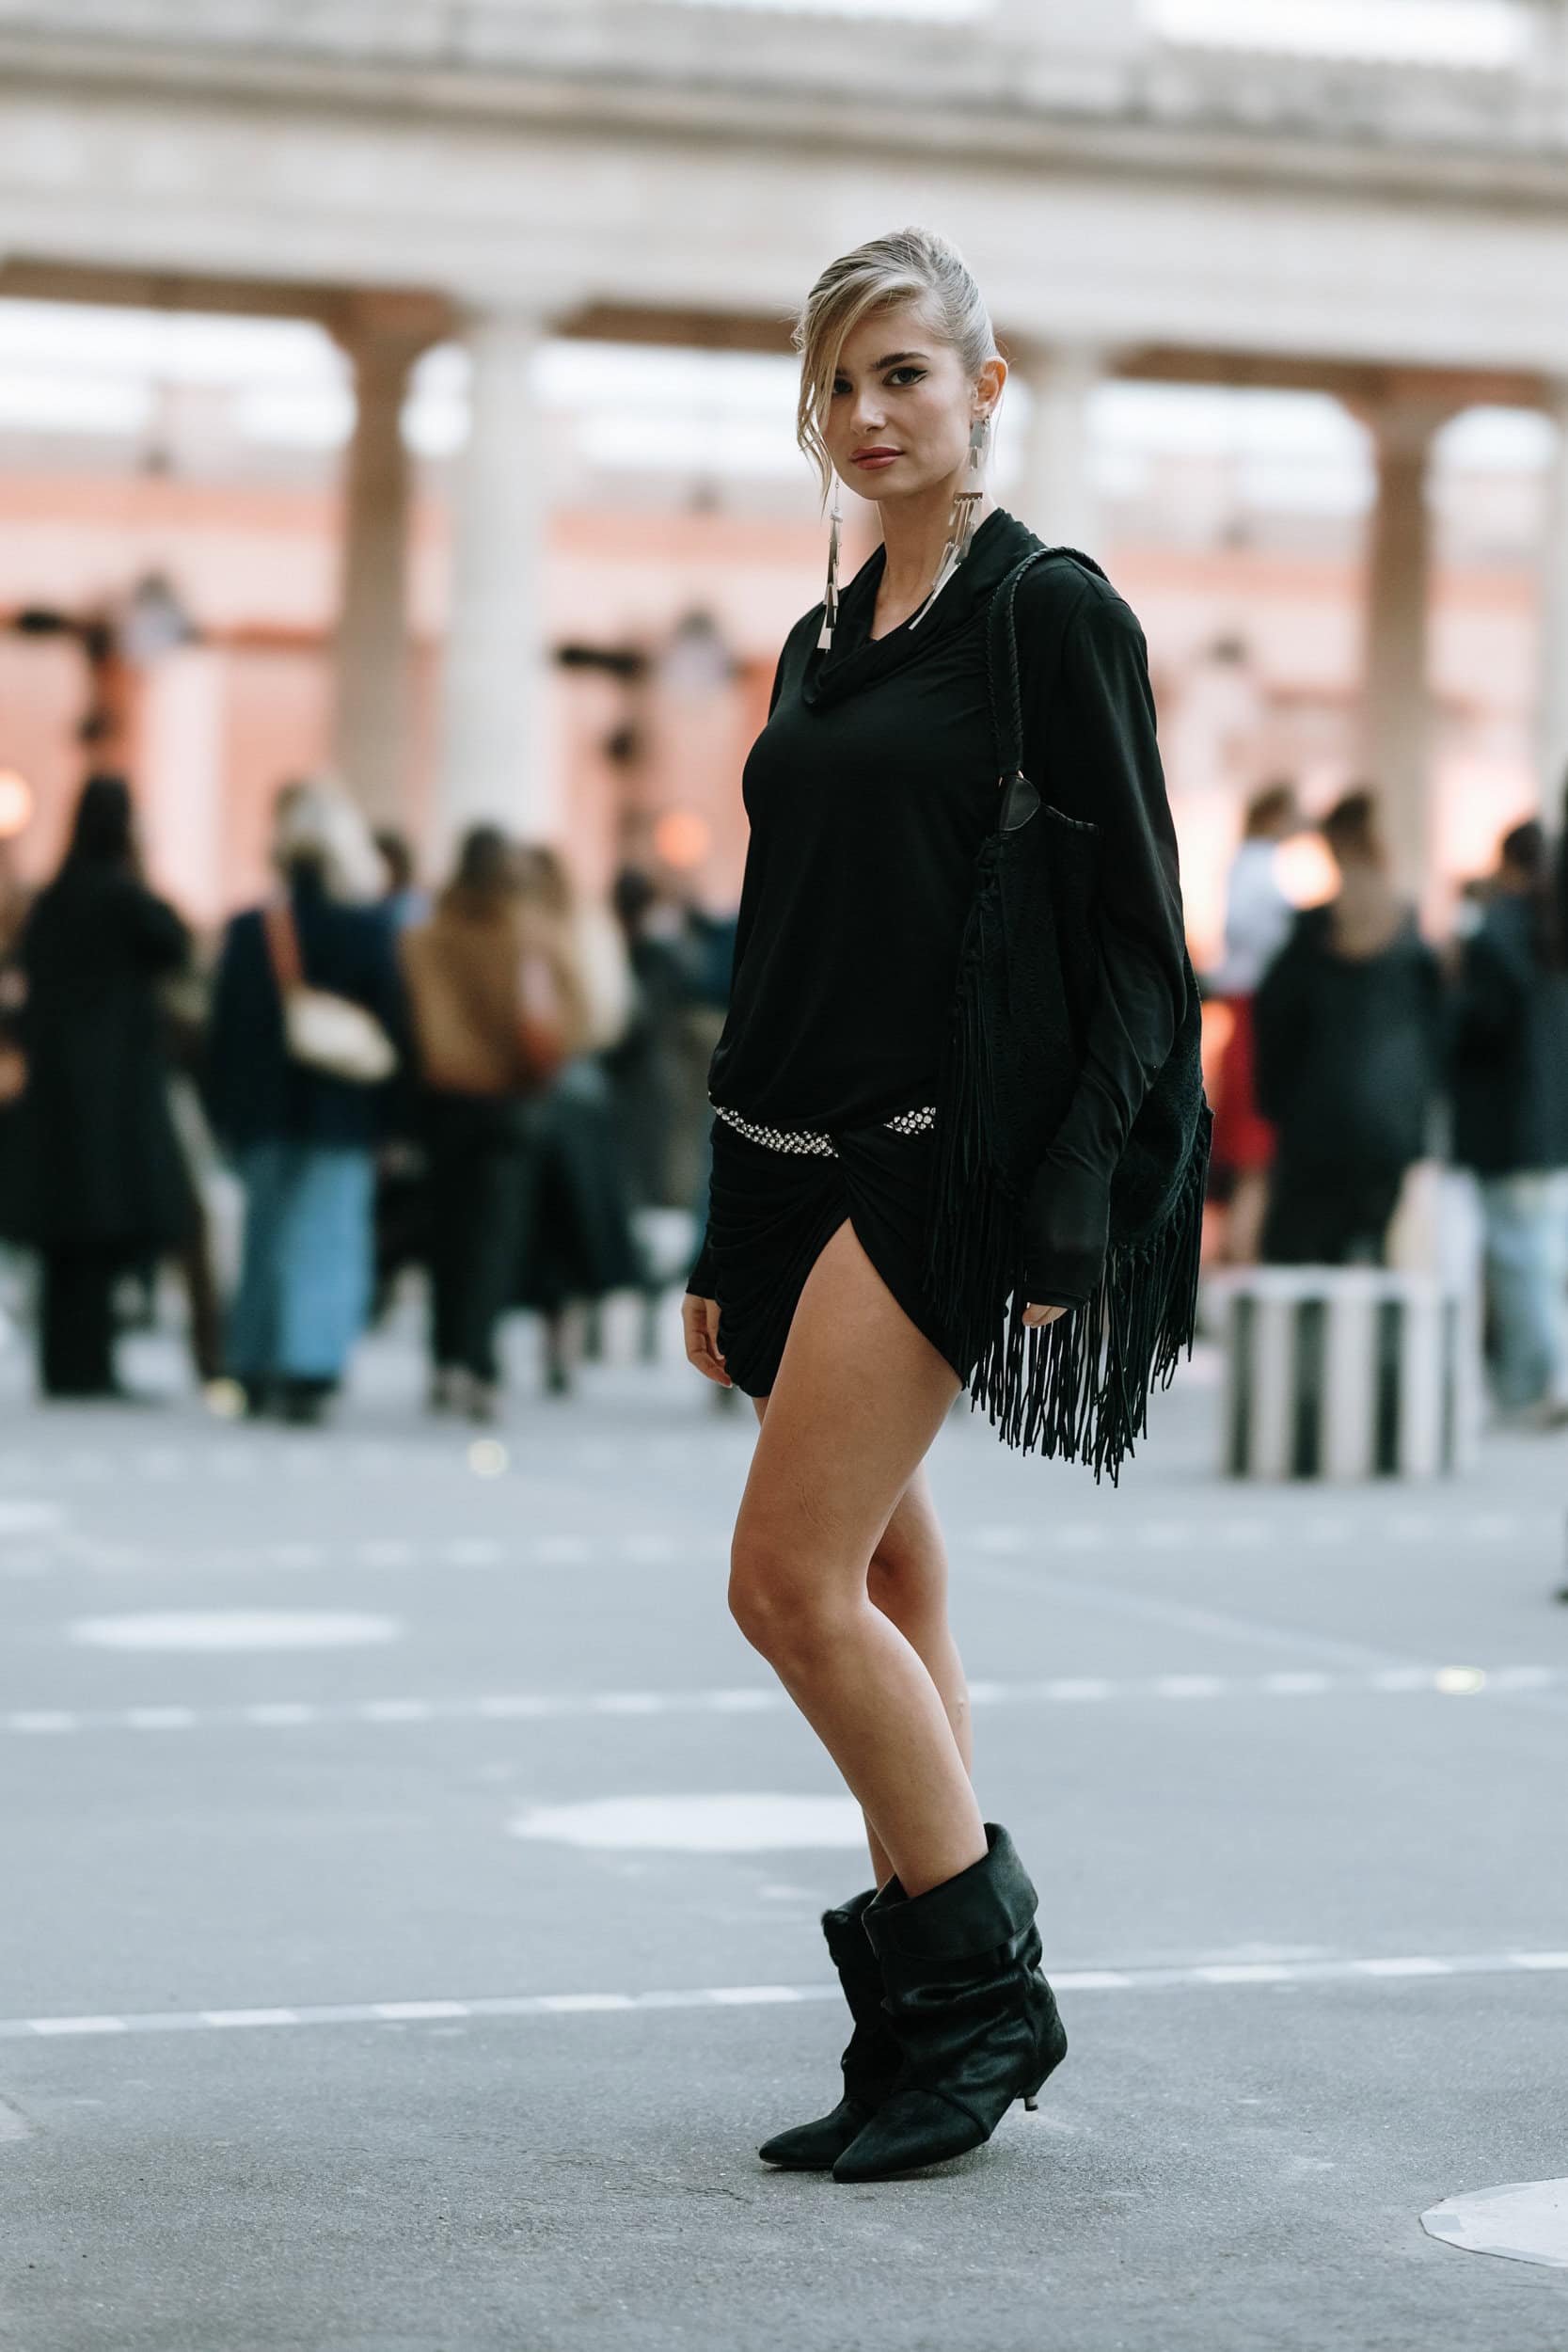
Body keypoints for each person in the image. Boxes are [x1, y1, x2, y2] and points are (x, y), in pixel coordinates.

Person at [680, 229, 1196, 2183]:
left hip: (935, 1159)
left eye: (901, 372)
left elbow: (1138, 939)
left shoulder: (1046, 613)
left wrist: (1067, 1201)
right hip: (786, 1155)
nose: (866, 414)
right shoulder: (819, 642)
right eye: (836, 384)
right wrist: (718, 1220)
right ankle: (926, 1999)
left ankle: (979, 1999)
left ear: (983, 386)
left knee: (782, 1582)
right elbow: (775, 943)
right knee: (888, 1587)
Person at [204, 781, 404, 1422]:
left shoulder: (250, 930)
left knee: (263, 1237)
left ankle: (255, 1361)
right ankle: (310, 1365)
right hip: (341, 1113)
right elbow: (393, 1029)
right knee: (328, 1238)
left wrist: (224, 1112)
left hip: (263, 1110)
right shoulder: (368, 930)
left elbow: (225, 1031)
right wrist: (394, 1122)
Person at [5, 773, 198, 1396]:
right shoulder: (122, 897)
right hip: (113, 1094)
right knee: (98, 1227)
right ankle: (90, 1366)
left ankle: (66, 1364)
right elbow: (177, 943)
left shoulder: (54, 899)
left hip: (57, 1091)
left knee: (67, 1236)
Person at [400, 825, 587, 1422]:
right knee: (494, 1238)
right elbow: (577, 1011)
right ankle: (478, 1363)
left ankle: (445, 1357)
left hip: (443, 1099)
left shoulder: (425, 937)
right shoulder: (530, 934)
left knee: (446, 1232)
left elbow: (406, 1019)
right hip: (510, 1100)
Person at [1253, 789, 1443, 1266]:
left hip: (1316, 1118)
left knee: (1296, 1256)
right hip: (1392, 1125)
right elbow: (1438, 1034)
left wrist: (1275, 1103)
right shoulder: (1411, 938)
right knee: (1368, 1258)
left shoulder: (1313, 933)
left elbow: (1273, 1020)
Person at [511, 844, 644, 1396]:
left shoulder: (523, 929)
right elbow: (615, 1016)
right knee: (576, 1223)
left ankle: (553, 1340)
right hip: (583, 1087)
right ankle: (566, 1341)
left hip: (531, 1089)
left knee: (538, 1227)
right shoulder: (591, 932)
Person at [1449, 818, 1568, 1424]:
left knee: (1517, 1254)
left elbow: (1476, 1026)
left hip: (1507, 1120)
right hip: (1551, 1118)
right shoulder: (1551, 929)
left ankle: (1537, 1379)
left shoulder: (1498, 932)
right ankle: (1544, 1374)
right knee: (1544, 1252)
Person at [1207, 781, 1298, 1263]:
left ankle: (1237, 1253)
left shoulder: (1249, 865)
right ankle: (1241, 1257)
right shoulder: (1258, 869)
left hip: (1248, 1008)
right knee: (1253, 1150)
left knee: (1249, 1149)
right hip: (1253, 1011)